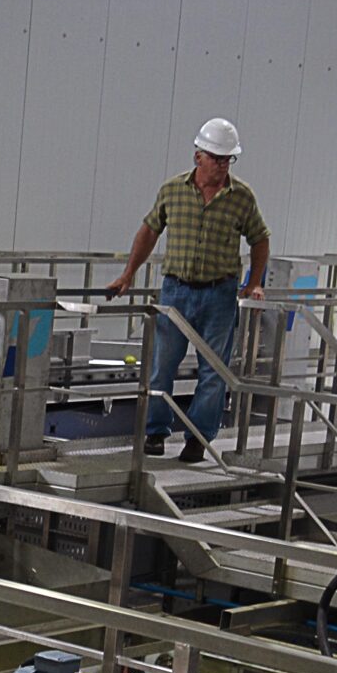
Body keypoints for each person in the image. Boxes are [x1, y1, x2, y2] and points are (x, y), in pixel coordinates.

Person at [104, 117, 269, 464]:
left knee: (214, 371)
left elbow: (260, 239)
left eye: (228, 159)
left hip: (219, 294)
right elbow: (149, 231)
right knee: (162, 365)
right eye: (216, 158)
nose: (222, 166)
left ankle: (198, 438)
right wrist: (128, 274)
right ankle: (155, 431)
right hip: (176, 291)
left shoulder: (242, 197)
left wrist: (254, 282)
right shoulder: (172, 190)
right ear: (198, 156)